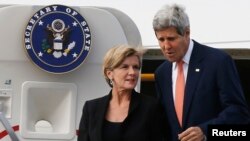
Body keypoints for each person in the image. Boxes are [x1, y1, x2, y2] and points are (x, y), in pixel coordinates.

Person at [153, 3, 250, 141]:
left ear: (187, 33)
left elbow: (239, 113)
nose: (166, 46)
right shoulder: (161, 73)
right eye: (161, 39)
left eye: (171, 39)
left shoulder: (218, 62)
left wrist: (205, 132)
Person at [78, 44, 166, 141]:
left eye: (136, 67)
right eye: (125, 67)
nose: (132, 72)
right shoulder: (91, 108)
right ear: (109, 73)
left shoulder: (151, 107)